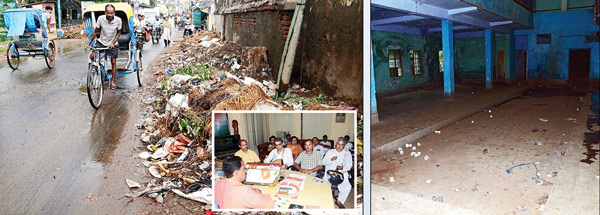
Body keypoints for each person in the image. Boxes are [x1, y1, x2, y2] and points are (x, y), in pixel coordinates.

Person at [85, 4, 122, 90]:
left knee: (113, 61)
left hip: (112, 44)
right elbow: (96, 31)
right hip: (101, 42)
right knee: (92, 56)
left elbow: (118, 32)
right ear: (105, 12)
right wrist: (89, 43)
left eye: (112, 13)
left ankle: (112, 81)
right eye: (108, 13)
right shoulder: (101, 19)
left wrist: (113, 42)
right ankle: (95, 70)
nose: (110, 15)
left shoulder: (118, 20)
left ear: (114, 13)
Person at [323, 138, 352, 209]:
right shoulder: (330, 152)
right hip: (329, 174)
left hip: (341, 174)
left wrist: (343, 168)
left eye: (341, 145)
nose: (339, 146)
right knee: (323, 187)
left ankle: (339, 201)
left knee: (348, 187)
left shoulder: (347, 153)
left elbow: (349, 166)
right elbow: (323, 162)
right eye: (338, 144)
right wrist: (331, 159)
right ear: (336, 143)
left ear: (344, 145)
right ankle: (324, 202)